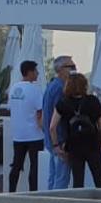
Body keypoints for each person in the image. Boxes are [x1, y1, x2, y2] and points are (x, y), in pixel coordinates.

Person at [50, 72, 101, 188]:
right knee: (100, 180)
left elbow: (52, 127)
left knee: (78, 181)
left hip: (73, 145)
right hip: (93, 144)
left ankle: (78, 199)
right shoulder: (93, 101)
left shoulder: (63, 102)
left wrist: (56, 146)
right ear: (84, 85)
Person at [7, 60, 44, 192]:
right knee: (34, 166)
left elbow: (11, 107)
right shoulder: (35, 90)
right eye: (36, 71)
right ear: (29, 72)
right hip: (34, 134)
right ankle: (33, 193)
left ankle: (11, 192)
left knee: (16, 165)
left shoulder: (13, 88)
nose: (37, 74)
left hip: (18, 134)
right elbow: (40, 110)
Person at [41, 55, 76, 190]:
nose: (74, 69)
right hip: (59, 141)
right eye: (71, 67)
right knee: (61, 180)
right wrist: (58, 144)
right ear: (60, 69)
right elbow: (57, 119)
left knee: (53, 177)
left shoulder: (51, 86)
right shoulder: (61, 89)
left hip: (53, 140)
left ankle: (50, 201)